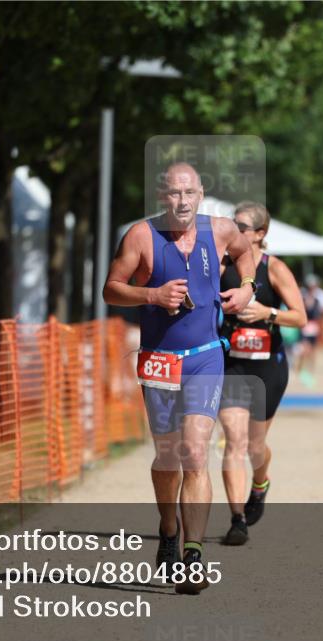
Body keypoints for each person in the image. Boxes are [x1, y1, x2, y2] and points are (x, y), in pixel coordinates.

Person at [102, 162, 256, 594]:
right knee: (168, 459)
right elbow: (110, 288)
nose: (182, 202)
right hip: (159, 361)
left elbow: (246, 254)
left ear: (201, 193)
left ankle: (193, 555)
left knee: (194, 452)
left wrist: (247, 288)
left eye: (189, 193)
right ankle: (168, 528)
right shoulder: (139, 236)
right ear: (161, 195)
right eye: (174, 194)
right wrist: (151, 294)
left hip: (206, 357)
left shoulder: (221, 230)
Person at [217, 202, 306, 545]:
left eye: (239, 226)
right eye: (230, 224)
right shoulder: (222, 265)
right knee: (234, 442)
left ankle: (261, 482)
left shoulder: (275, 269)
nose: (232, 230)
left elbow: (300, 317)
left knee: (255, 446)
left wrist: (267, 313)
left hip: (268, 365)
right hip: (231, 364)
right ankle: (237, 518)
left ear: (259, 234)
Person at [295, 274, 323, 386]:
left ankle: (310, 371)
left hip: (314, 327)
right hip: (305, 326)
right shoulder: (302, 296)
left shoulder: (320, 298)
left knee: (313, 351)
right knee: (304, 349)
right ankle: (300, 369)